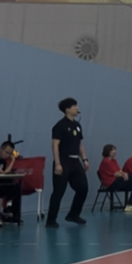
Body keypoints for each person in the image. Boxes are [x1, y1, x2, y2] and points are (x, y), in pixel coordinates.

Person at [45, 97, 89, 227]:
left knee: (83, 188)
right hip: (63, 160)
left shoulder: (77, 125)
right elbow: (55, 145)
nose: (77, 108)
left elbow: (79, 144)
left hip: (76, 161)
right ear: (67, 109)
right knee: (59, 191)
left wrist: (84, 159)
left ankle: (73, 214)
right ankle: (51, 220)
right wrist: (58, 163)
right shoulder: (60, 126)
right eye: (74, 106)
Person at [97, 144, 132, 213]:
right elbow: (116, 174)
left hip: (117, 181)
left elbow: (120, 171)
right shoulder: (105, 161)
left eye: (115, 150)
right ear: (108, 151)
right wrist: (124, 175)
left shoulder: (114, 161)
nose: (115, 151)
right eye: (112, 150)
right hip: (111, 183)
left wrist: (125, 174)